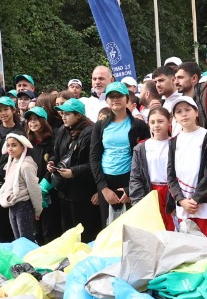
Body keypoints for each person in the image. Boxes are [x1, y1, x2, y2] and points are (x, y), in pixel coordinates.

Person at [90, 82, 149, 226]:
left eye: (119, 96)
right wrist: (103, 188)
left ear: (127, 99)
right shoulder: (100, 125)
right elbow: (94, 156)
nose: (115, 99)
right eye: (111, 96)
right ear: (107, 100)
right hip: (106, 180)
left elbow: (146, 159)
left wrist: (131, 190)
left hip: (130, 178)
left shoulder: (139, 125)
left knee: (132, 227)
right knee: (109, 227)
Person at [164, 96, 207, 237]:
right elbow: (171, 175)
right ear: (174, 118)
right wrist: (181, 200)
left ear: (196, 112)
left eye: (187, 110)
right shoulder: (174, 141)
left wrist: (197, 198)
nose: (184, 114)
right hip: (184, 206)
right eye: (178, 112)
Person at [49, 100, 99, 242]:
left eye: (68, 114)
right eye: (62, 113)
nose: (63, 117)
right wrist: (52, 162)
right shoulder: (61, 131)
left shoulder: (90, 132)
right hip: (64, 191)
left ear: (78, 116)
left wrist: (74, 172)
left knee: (85, 234)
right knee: (68, 233)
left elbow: (94, 163)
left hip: (83, 193)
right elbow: (57, 155)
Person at [127, 106, 174, 230]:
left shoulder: (175, 144)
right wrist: (138, 202)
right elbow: (135, 177)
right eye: (152, 122)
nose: (156, 125)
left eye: (160, 121)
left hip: (171, 193)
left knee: (172, 231)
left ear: (169, 121)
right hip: (150, 192)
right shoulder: (141, 147)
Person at [0, 134, 43, 241]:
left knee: (26, 240)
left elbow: (34, 189)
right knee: (18, 239)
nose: (10, 148)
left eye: (14, 145)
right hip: (12, 206)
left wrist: (38, 210)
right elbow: (8, 183)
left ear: (22, 148)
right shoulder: (12, 163)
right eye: (8, 145)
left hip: (24, 206)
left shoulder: (26, 165)